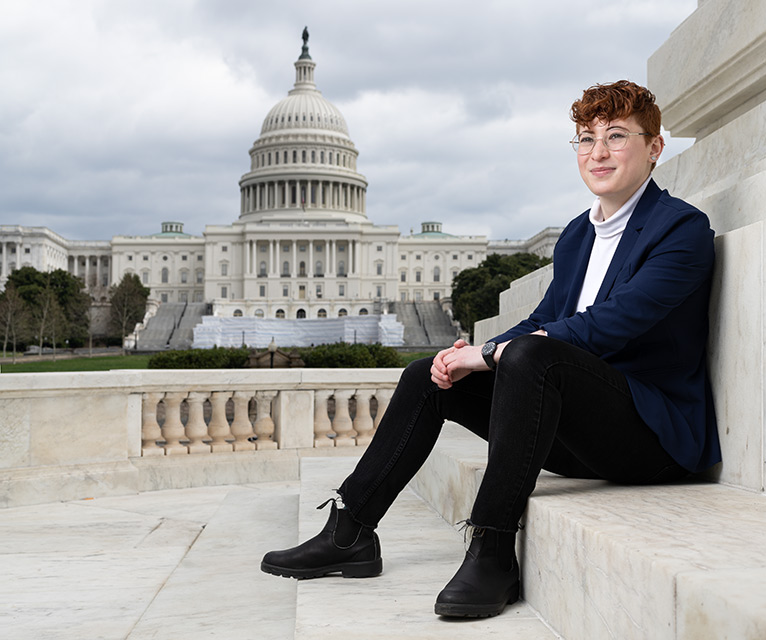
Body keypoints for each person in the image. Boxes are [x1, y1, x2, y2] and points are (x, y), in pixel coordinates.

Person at [260, 80, 720, 618]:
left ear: (655, 146)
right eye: (586, 139)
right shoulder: (578, 235)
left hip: (650, 437)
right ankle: (350, 531)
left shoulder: (682, 229)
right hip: (581, 429)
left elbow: (612, 325)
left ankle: (494, 551)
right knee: (427, 378)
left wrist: (499, 354)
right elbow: (547, 319)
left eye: (616, 137)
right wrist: (474, 352)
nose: (598, 152)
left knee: (528, 355)